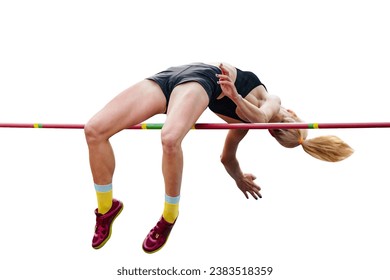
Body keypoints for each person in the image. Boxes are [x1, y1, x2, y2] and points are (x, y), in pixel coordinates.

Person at [84, 62, 353, 253]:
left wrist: (238, 178)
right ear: (292, 112)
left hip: (201, 83)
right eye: (283, 123)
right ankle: (107, 208)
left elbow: (228, 156)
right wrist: (240, 99)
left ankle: (169, 216)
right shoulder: (272, 100)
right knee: (94, 130)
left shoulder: (246, 125)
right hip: (174, 75)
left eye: (275, 132)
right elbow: (262, 116)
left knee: (169, 139)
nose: (275, 125)